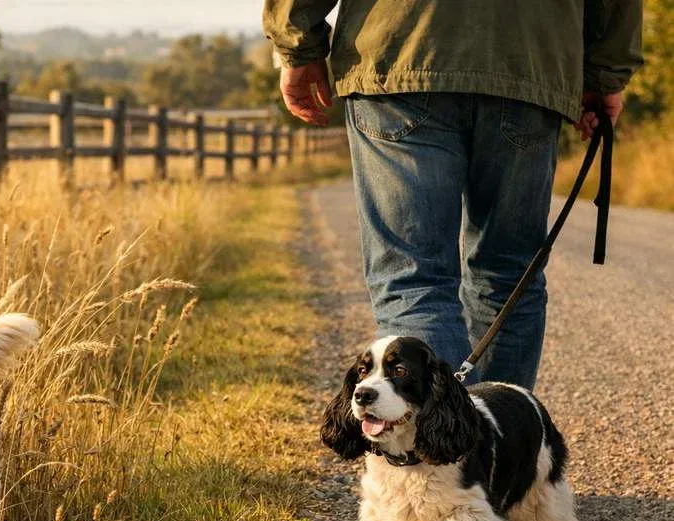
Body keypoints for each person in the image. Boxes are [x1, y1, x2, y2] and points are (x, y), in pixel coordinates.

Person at [262, 1, 643, 389]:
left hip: (399, 53)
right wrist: (604, 76)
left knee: (413, 278)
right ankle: (499, 442)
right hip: (530, 60)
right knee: (509, 275)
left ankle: (443, 445)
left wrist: (297, 47)